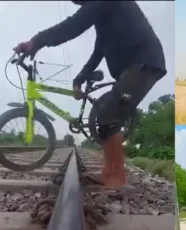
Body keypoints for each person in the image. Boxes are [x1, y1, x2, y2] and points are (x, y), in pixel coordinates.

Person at [13, 1, 167, 194]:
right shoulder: (103, 20)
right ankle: (107, 173)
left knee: (111, 114)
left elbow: (74, 24)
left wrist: (36, 40)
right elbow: (97, 53)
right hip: (131, 69)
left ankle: (118, 178)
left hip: (145, 64)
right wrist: (79, 78)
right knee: (106, 117)